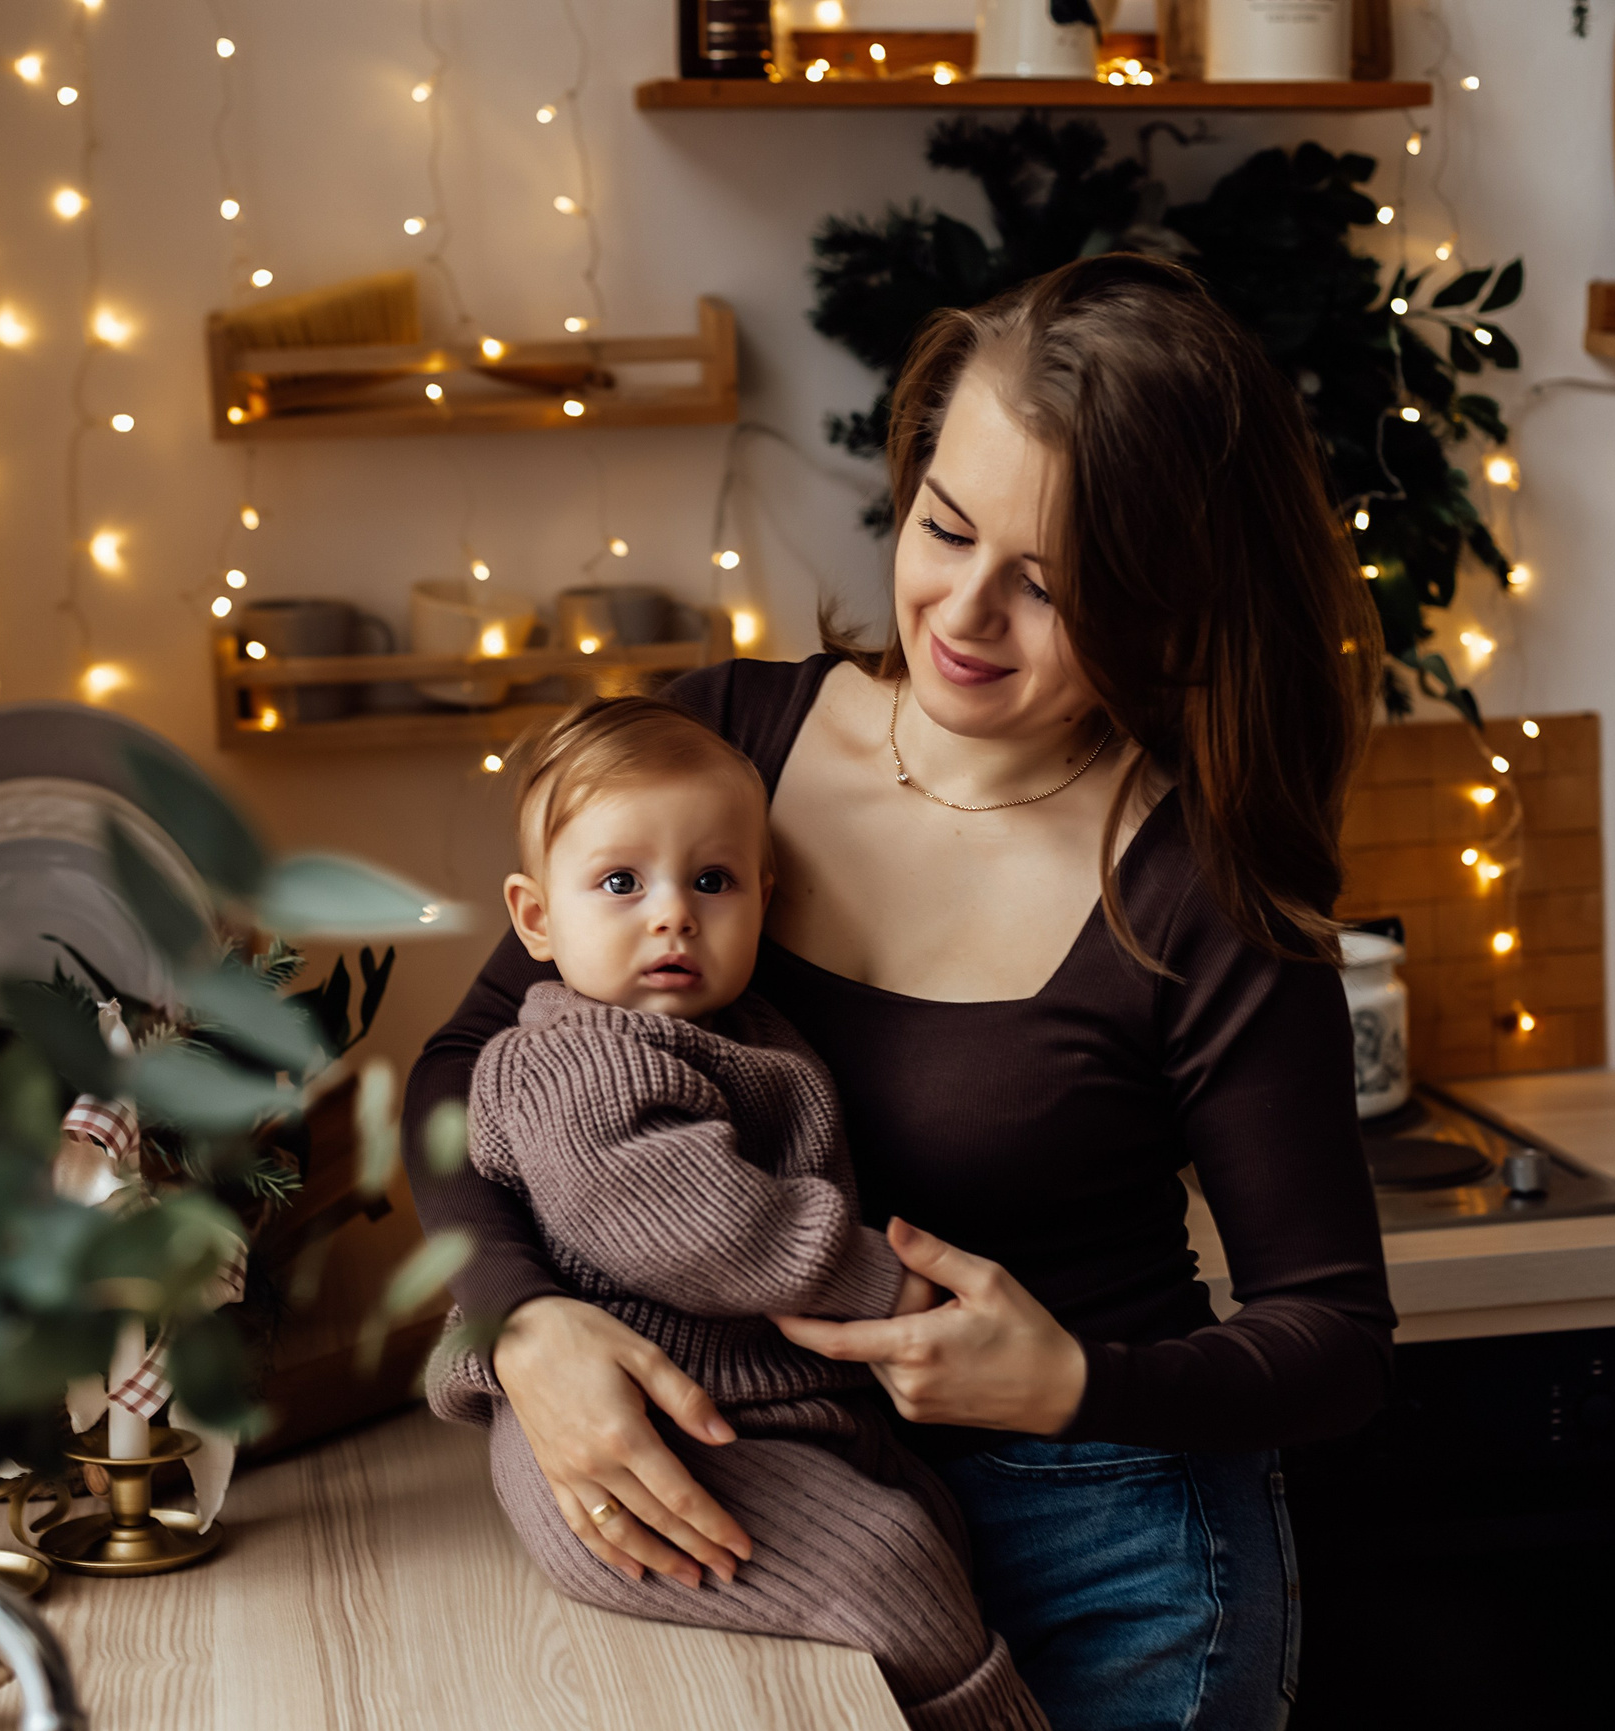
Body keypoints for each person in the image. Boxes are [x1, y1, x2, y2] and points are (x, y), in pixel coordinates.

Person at [405, 252, 1397, 1731]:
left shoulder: (1204, 896)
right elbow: (469, 1068)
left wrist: (1077, 1378)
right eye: (946, 524)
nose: (964, 614)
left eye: (1051, 588)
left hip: (1112, 1551)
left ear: (1173, 603)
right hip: (791, 1498)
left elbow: (1334, 1337)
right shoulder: (723, 745)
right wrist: (521, 1323)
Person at [425, 697, 1048, 1731]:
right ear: (535, 918)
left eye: (710, 882)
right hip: (641, 1441)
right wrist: (876, 1280)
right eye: (619, 884)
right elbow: (685, 1219)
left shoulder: (737, 1029)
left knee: (921, 1527)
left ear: (766, 896)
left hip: (755, 1409)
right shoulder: (569, 1054)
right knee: (888, 1569)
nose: (671, 914)